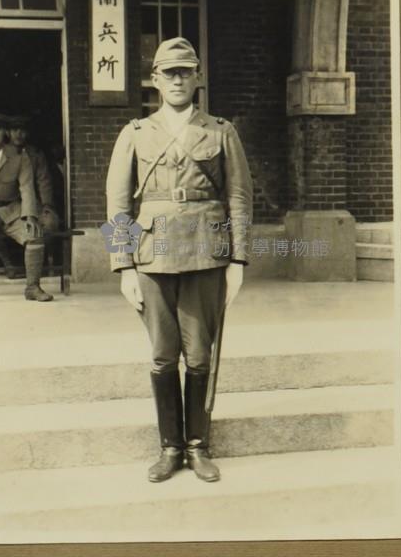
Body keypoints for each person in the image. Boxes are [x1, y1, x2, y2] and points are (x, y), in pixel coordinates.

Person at [106, 37, 253, 483]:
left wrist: (238, 261)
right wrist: (124, 266)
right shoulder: (134, 133)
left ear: (197, 78)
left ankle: (198, 446)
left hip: (207, 254)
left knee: (201, 356)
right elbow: (118, 205)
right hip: (152, 257)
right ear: (154, 81)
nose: (176, 79)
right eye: (168, 73)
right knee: (162, 356)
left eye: (184, 71)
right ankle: (170, 447)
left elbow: (239, 198)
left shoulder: (221, 131)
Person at [0, 112, 53, 303]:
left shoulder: (19, 157)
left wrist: (30, 216)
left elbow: (27, 187)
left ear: (4, 132)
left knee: (35, 236)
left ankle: (33, 287)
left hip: (11, 211)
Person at [0, 114, 60, 278]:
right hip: (8, 204)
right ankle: (9, 264)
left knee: (49, 222)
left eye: (22, 130)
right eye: (14, 129)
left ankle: (38, 266)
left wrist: (47, 205)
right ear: (7, 132)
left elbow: (44, 181)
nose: (18, 134)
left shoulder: (35, 154)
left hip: (32, 203)